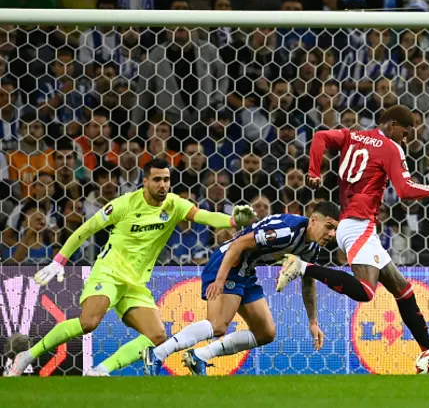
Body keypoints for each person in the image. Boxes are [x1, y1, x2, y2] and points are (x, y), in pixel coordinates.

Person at [3, 158, 256, 377]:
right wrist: (59, 260)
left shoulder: (174, 204)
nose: (163, 186)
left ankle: (101, 369)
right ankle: (27, 356)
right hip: (109, 273)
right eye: (157, 180)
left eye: (167, 180)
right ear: (145, 181)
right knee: (88, 322)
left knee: (157, 337)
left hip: (135, 283)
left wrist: (234, 220)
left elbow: (205, 216)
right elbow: (86, 229)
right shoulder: (124, 204)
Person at [276, 104, 429, 364]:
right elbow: (405, 190)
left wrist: (314, 171)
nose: (407, 137)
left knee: (403, 289)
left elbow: (320, 137)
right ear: (391, 125)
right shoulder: (391, 148)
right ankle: (302, 266)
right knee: (366, 291)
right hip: (358, 223)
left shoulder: (352, 135)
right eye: (405, 131)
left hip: (357, 224)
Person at [142, 202, 340, 376]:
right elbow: (238, 244)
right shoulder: (284, 231)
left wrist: (313, 322)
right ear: (314, 220)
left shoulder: (312, 248)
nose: (331, 234)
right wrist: (220, 280)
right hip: (229, 262)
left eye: (335, 230)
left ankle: (199, 356)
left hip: (246, 271)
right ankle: (157, 353)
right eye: (329, 227)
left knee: (265, 333)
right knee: (218, 324)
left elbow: (308, 282)